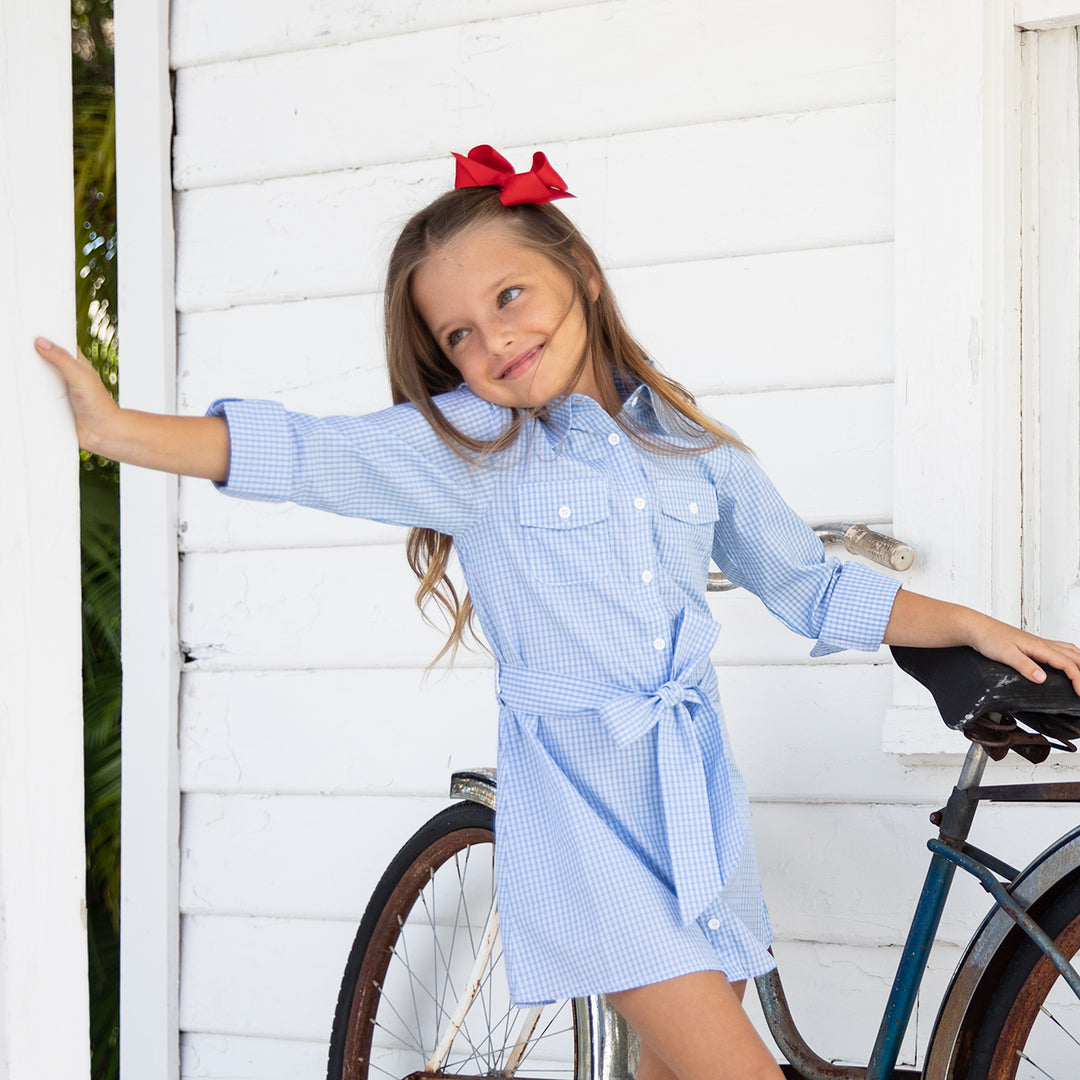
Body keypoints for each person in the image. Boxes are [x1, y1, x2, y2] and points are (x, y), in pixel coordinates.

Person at [37, 146, 1080, 1080]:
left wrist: (976, 628)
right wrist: (117, 427)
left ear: (577, 270)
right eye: (459, 331)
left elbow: (807, 582)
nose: (494, 337)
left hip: (689, 806)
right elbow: (312, 453)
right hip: (581, 820)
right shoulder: (472, 451)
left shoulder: (687, 442)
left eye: (510, 295)